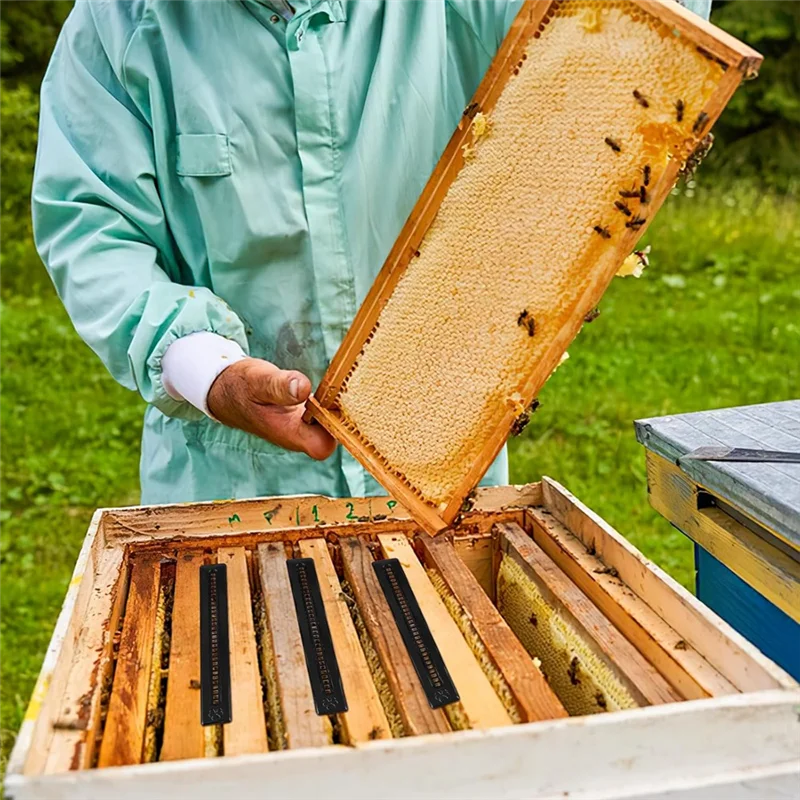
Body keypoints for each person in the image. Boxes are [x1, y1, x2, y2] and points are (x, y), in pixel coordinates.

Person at [33, 0, 711, 506]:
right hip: (230, 484)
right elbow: (91, 228)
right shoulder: (117, 25)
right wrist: (207, 369)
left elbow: (619, 46)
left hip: (441, 456)